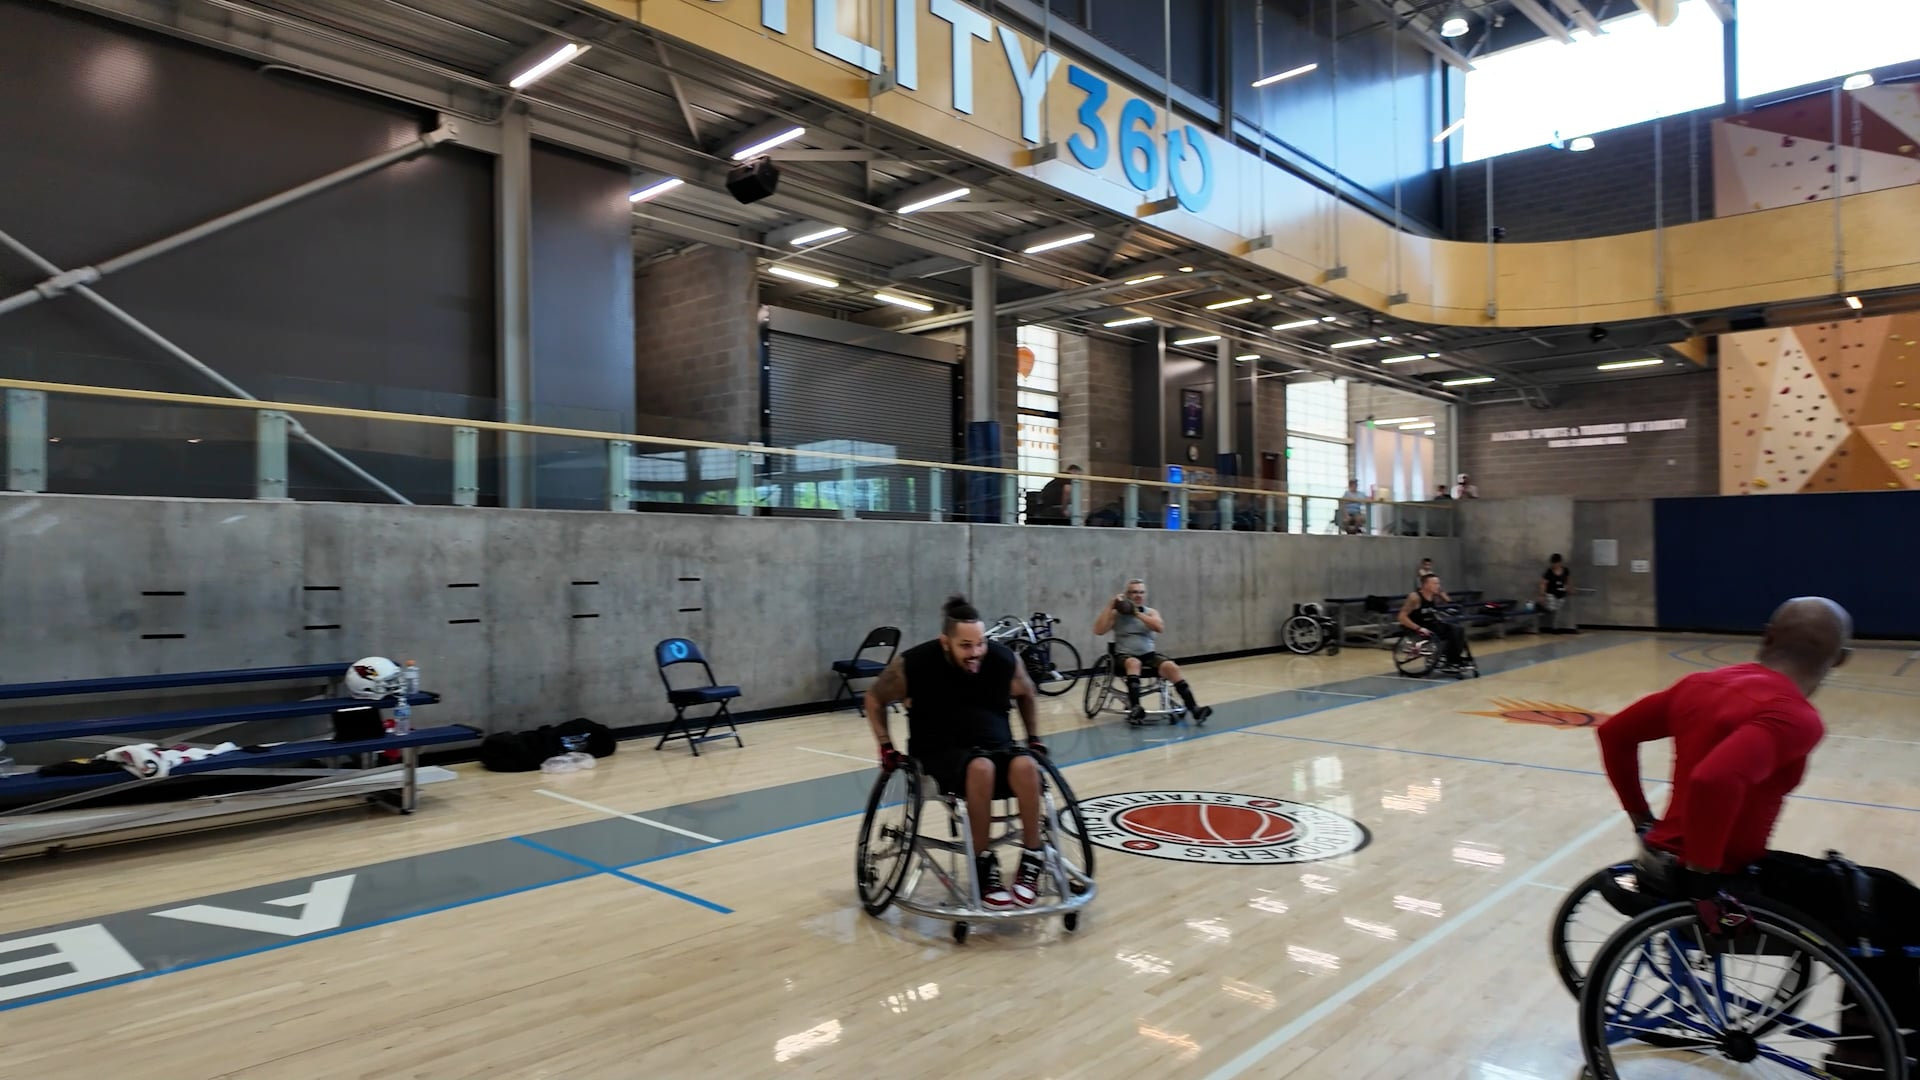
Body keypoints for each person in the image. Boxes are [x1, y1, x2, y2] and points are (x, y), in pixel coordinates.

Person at [1596, 597, 1916, 1069]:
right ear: (1842, 658)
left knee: (1886, 889)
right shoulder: (1792, 715)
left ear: (1767, 636)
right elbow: (1714, 780)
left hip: (1667, 860)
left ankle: (1868, 1049)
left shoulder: (1700, 684)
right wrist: (1704, 882)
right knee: (1890, 910)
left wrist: (1642, 818)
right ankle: (1870, 1055)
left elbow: (1614, 735)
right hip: (1721, 878)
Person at [864, 595, 1050, 908]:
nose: (975, 652)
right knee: (981, 768)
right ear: (945, 642)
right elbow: (874, 699)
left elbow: (1027, 693)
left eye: (980, 644)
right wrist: (886, 746)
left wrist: (1033, 738)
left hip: (995, 746)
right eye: (965, 646)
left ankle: (1033, 856)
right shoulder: (914, 664)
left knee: (1026, 765)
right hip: (939, 752)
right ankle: (983, 861)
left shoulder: (1003, 659)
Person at [1092, 578, 1213, 726]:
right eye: (1134, 592)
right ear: (1127, 594)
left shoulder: (1151, 612)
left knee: (1171, 667)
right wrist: (1110, 605)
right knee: (1134, 663)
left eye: (1141, 592)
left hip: (1148, 655)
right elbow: (1098, 630)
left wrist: (1136, 613)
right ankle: (1135, 708)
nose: (1138, 595)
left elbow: (1159, 627)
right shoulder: (1116, 615)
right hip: (1124, 656)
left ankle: (1194, 709)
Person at [1397, 573, 1468, 675]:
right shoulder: (1415, 597)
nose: (1438, 586)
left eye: (1438, 583)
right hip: (1417, 628)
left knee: (1458, 629)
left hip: (1432, 625)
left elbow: (1441, 605)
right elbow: (1402, 617)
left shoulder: (1433, 596)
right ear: (1426, 585)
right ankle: (1452, 661)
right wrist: (1418, 628)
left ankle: (1453, 659)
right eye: (1435, 583)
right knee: (1453, 631)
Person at [1538, 553, 1574, 634]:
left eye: (1556, 563)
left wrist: (1570, 589)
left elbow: (1568, 581)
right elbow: (1543, 583)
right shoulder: (1549, 572)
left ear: (1560, 563)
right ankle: (1541, 607)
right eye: (1553, 563)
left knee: (1558, 612)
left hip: (1561, 594)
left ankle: (1555, 628)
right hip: (1551, 593)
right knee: (1552, 608)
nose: (1554, 565)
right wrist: (1542, 594)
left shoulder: (1565, 571)